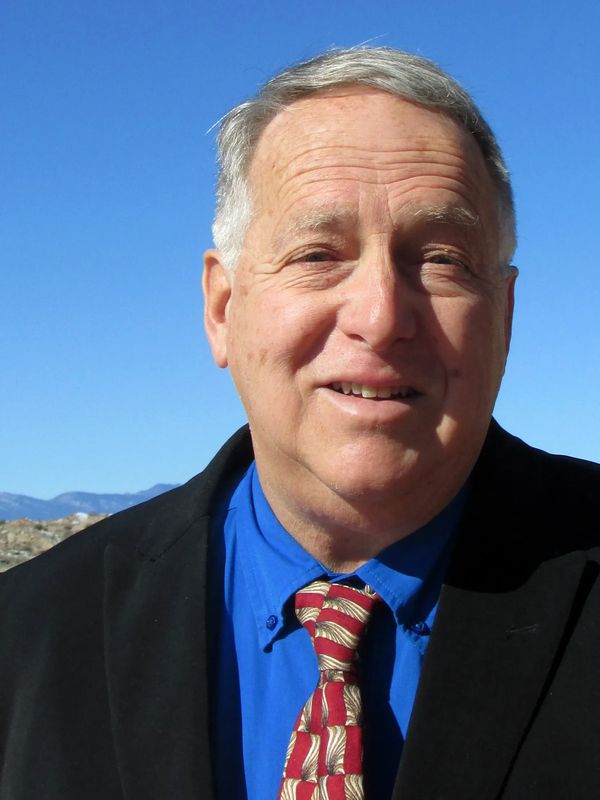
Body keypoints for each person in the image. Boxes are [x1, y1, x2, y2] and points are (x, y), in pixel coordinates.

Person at [0, 47, 598, 800]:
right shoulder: (32, 637)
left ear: (504, 317)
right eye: (319, 254)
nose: (380, 318)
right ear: (222, 310)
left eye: (440, 259)